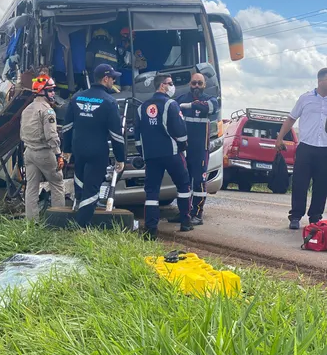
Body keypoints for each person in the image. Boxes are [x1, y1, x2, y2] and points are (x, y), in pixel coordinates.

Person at [62, 64, 125, 227]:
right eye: (113, 78)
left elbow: (67, 127)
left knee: (80, 183)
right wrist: (120, 158)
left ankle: (78, 216)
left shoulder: (76, 98)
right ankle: (81, 226)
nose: (114, 81)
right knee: (92, 189)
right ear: (105, 79)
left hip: (79, 149)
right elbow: (116, 135)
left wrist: (66, 149)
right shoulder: (110, 102)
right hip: (98, 151)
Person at [134, 73, 192, 240]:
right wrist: (183, 145)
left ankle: (151, 229)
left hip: (151, 156)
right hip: (172, 153)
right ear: (162, 86)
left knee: (151, 192)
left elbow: (137, 136)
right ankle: (185, 222)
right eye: (170, 83)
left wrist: (143, 153)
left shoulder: (141, 107)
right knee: (183, 185)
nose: (172, 86)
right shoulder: (171, 104)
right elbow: (180, 131)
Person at [276, 68, 327, 230]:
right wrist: (280, 137)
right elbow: (291, 118)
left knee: (322, 185)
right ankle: (296, 216)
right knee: (300, 183)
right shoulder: (305, 98)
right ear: (320, 81)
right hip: (306, 148)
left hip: (325, 149)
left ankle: (315, 217)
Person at [168, 72, 218, 225]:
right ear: (190, 84)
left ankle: (197, 214)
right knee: (184, 181)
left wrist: (190, 106)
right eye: (194, 83)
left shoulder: (210, 100)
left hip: (200, 149)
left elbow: (211, 107)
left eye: (199, 83)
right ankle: (184, 212)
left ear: (204, 85)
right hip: (183, 149)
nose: (196, 86)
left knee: (199, 182)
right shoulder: (181, 99)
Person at [20, 74, 65, 220]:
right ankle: (58, 222)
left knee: (31, 188)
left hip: (29, 152)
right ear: (42, 91)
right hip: (44, 153)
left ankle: (31, 222)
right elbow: (51, 135)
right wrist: (59, 154)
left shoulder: (27, 109)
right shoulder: (48, 111)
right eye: (51, 90)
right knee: (57, 184)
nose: (53, 93)